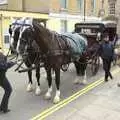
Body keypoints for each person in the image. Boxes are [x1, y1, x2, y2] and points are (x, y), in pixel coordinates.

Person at [0, 48, 15, 113]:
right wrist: (11, 64)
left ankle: (2, 107)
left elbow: (3, 60)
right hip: (1, 77)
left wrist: (5, 58)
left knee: (8, 90)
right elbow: (3, 66)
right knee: (9, 90)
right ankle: (4, 108)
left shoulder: (1, 55)